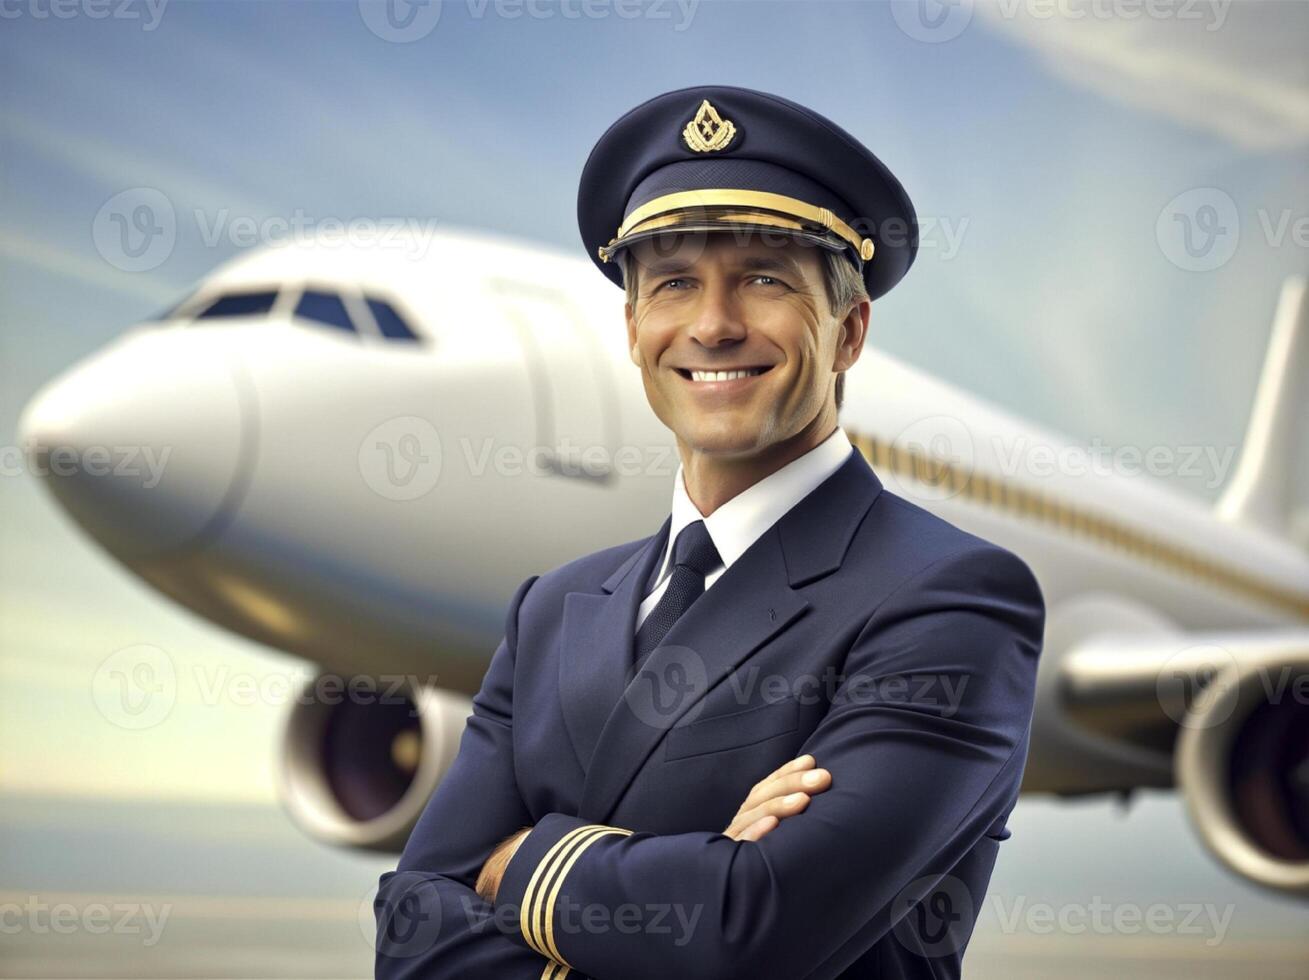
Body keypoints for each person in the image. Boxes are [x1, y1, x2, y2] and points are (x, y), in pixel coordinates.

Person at [374, 84, 1045, 980]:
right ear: (632, 328)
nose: (714, 325)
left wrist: (514, 865)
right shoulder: (553, 609)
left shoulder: (950, 597)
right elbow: (409, 934)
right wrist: (701, 873)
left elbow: (752, 933)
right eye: (675, 284)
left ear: (848, 331)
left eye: (764, 278)